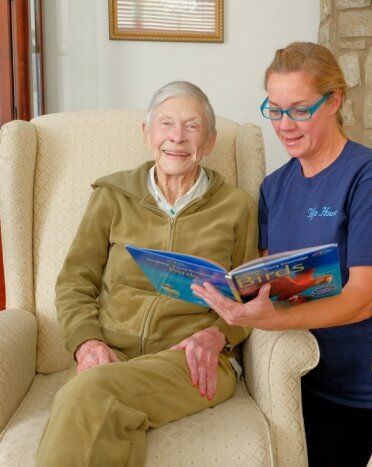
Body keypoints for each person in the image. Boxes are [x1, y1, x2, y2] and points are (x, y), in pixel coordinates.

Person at [192, 42, 372, 467]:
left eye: (300, 109)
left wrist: (272, 319)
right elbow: (279, 283)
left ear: (335, 100)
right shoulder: (275, 186)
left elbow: (361, 301)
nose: (284, 124)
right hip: (308, 376)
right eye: (275, 108)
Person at [36, 81, 258, 466]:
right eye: (166, 124)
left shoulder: (237, 207)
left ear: (209, 141)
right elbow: (74, 281)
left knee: (81, 396)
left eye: (192, 126)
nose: (177, 136)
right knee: (103, 408)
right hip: (113, 351)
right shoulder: (111, 195)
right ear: (146, 134)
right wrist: (86, 343)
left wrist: (218, 336)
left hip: (188, 361)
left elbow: (249, 295)